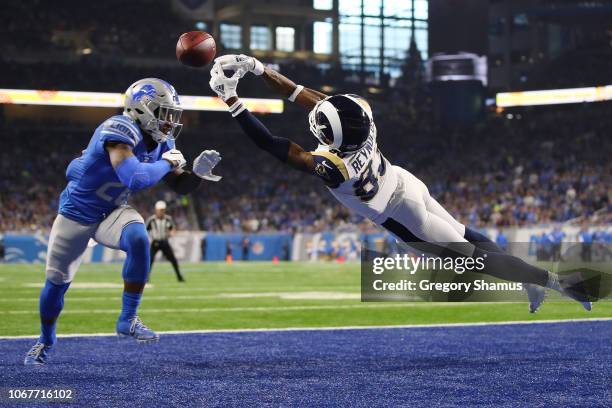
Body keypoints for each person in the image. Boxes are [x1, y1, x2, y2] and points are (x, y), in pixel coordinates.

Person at [209, 54, 592, 314]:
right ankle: (530, 281)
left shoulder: (332, 165)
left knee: (474, 261)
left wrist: (232, 100)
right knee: (468, 236)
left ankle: (551, 280)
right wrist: (258, 68)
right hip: (407, 183)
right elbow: (308, 98)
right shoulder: (362, 113)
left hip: (402, 216)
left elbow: (273, 144)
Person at [24, 78, 222, 365]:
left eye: (171, 114)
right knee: (56, 283)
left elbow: (179, 186)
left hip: (113, 211)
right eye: (163, 112)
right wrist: (168, 163)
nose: (169, 121)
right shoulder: (119, 128)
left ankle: (127, 319)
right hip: (77, 213)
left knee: (140, 239)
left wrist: (198, 175)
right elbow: (135, 178)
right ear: (142, 109)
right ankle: (45, 339)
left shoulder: (163, 140)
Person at [146, 200, 184, 282]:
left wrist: (171, 233)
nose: (162, 211)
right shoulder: (151, 220)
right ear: (156, 210)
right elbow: (145, 230)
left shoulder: (168, 219)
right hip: (155, 242)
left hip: (164, 242)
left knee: (173, 260)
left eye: (163, 210)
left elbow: (172, 229)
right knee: (150, 260)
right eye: (160, 210)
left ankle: (179, 276)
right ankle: (146, 278)